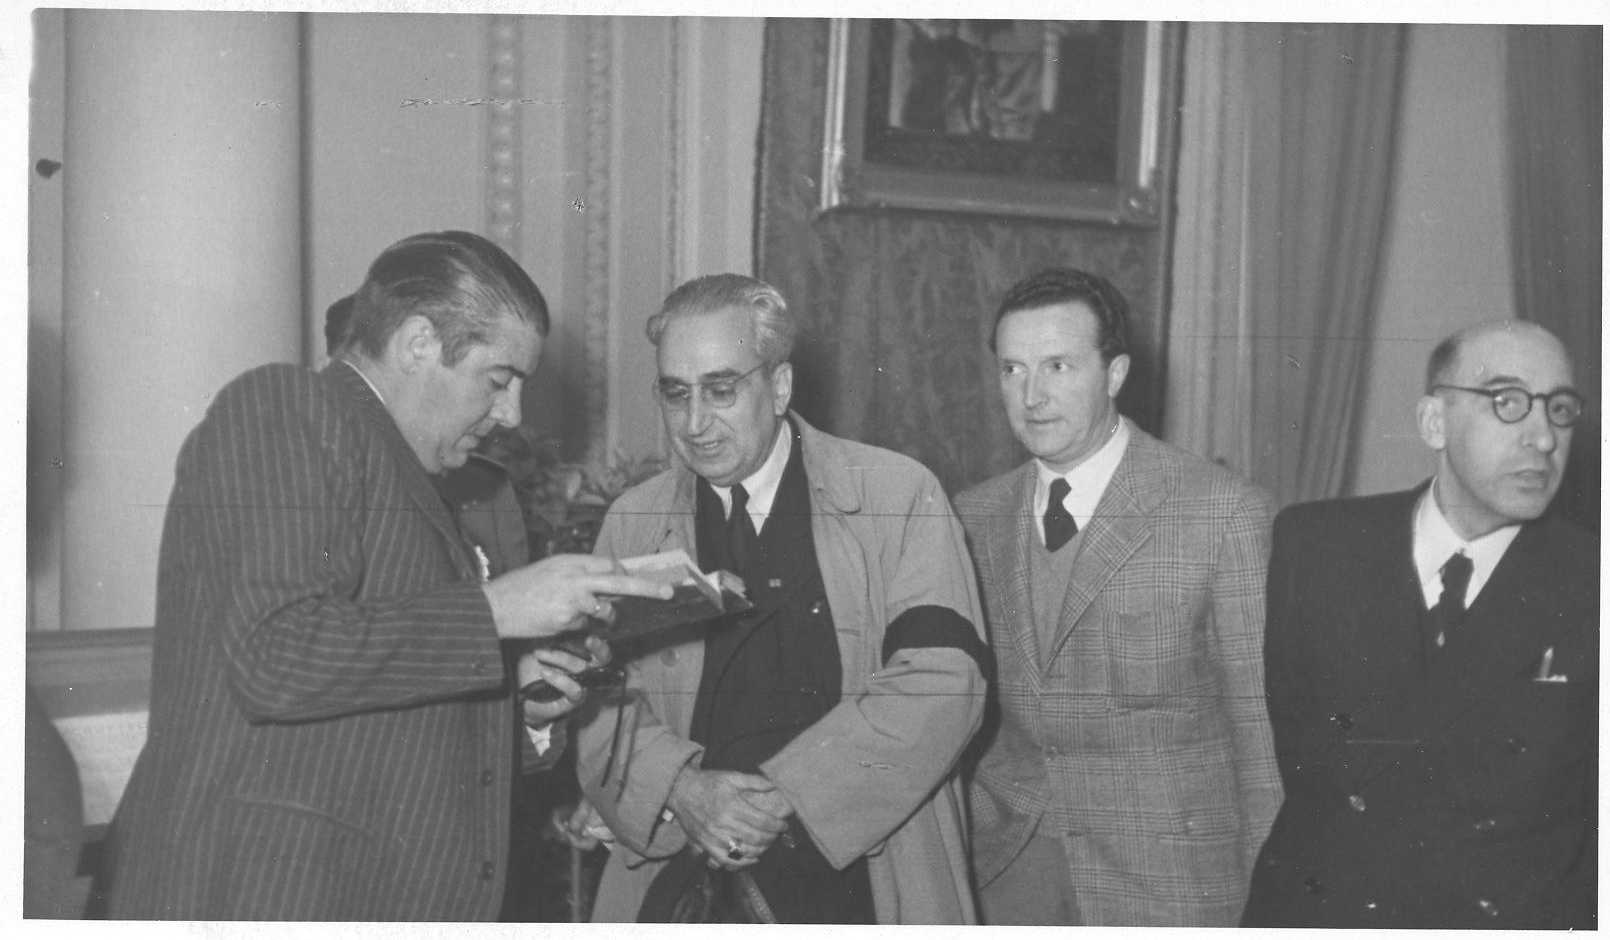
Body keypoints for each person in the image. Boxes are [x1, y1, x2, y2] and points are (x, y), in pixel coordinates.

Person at [102, 231, 671, 920]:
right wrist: (496, 611)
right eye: (498, 381)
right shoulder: (288, 407)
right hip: (265, 898)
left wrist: (513, 707)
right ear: (418, 342)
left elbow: (370, 704)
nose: (511, 416)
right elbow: (274, 655)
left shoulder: (423, 478)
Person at [571, 274, 988, 923]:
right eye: (676, 393)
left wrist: (785, 794)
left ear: (781, 385)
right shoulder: (633, 522)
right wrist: (681, 788)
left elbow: (944, 682)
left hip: (861, 880)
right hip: (684, 881)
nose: (694, 423)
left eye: (721, 390)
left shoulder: (896, 495)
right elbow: (596, 704)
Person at [1242, 320, 1597, 929]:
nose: (1544, 438)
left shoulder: (1590, 580)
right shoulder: (1316, 545)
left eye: (1559, 409)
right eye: (1508, 402)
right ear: (1434, 422)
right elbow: (1297, 760)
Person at [954, 268, 1282, 926]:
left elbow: (1262, 740)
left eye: (1058, 366)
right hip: (1007, 880)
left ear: (1115, 373)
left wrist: (1272, 907)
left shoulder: (1222, 512)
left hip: (1169, 888)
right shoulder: (971, 517)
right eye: (1013, 370)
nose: (1032, 396)